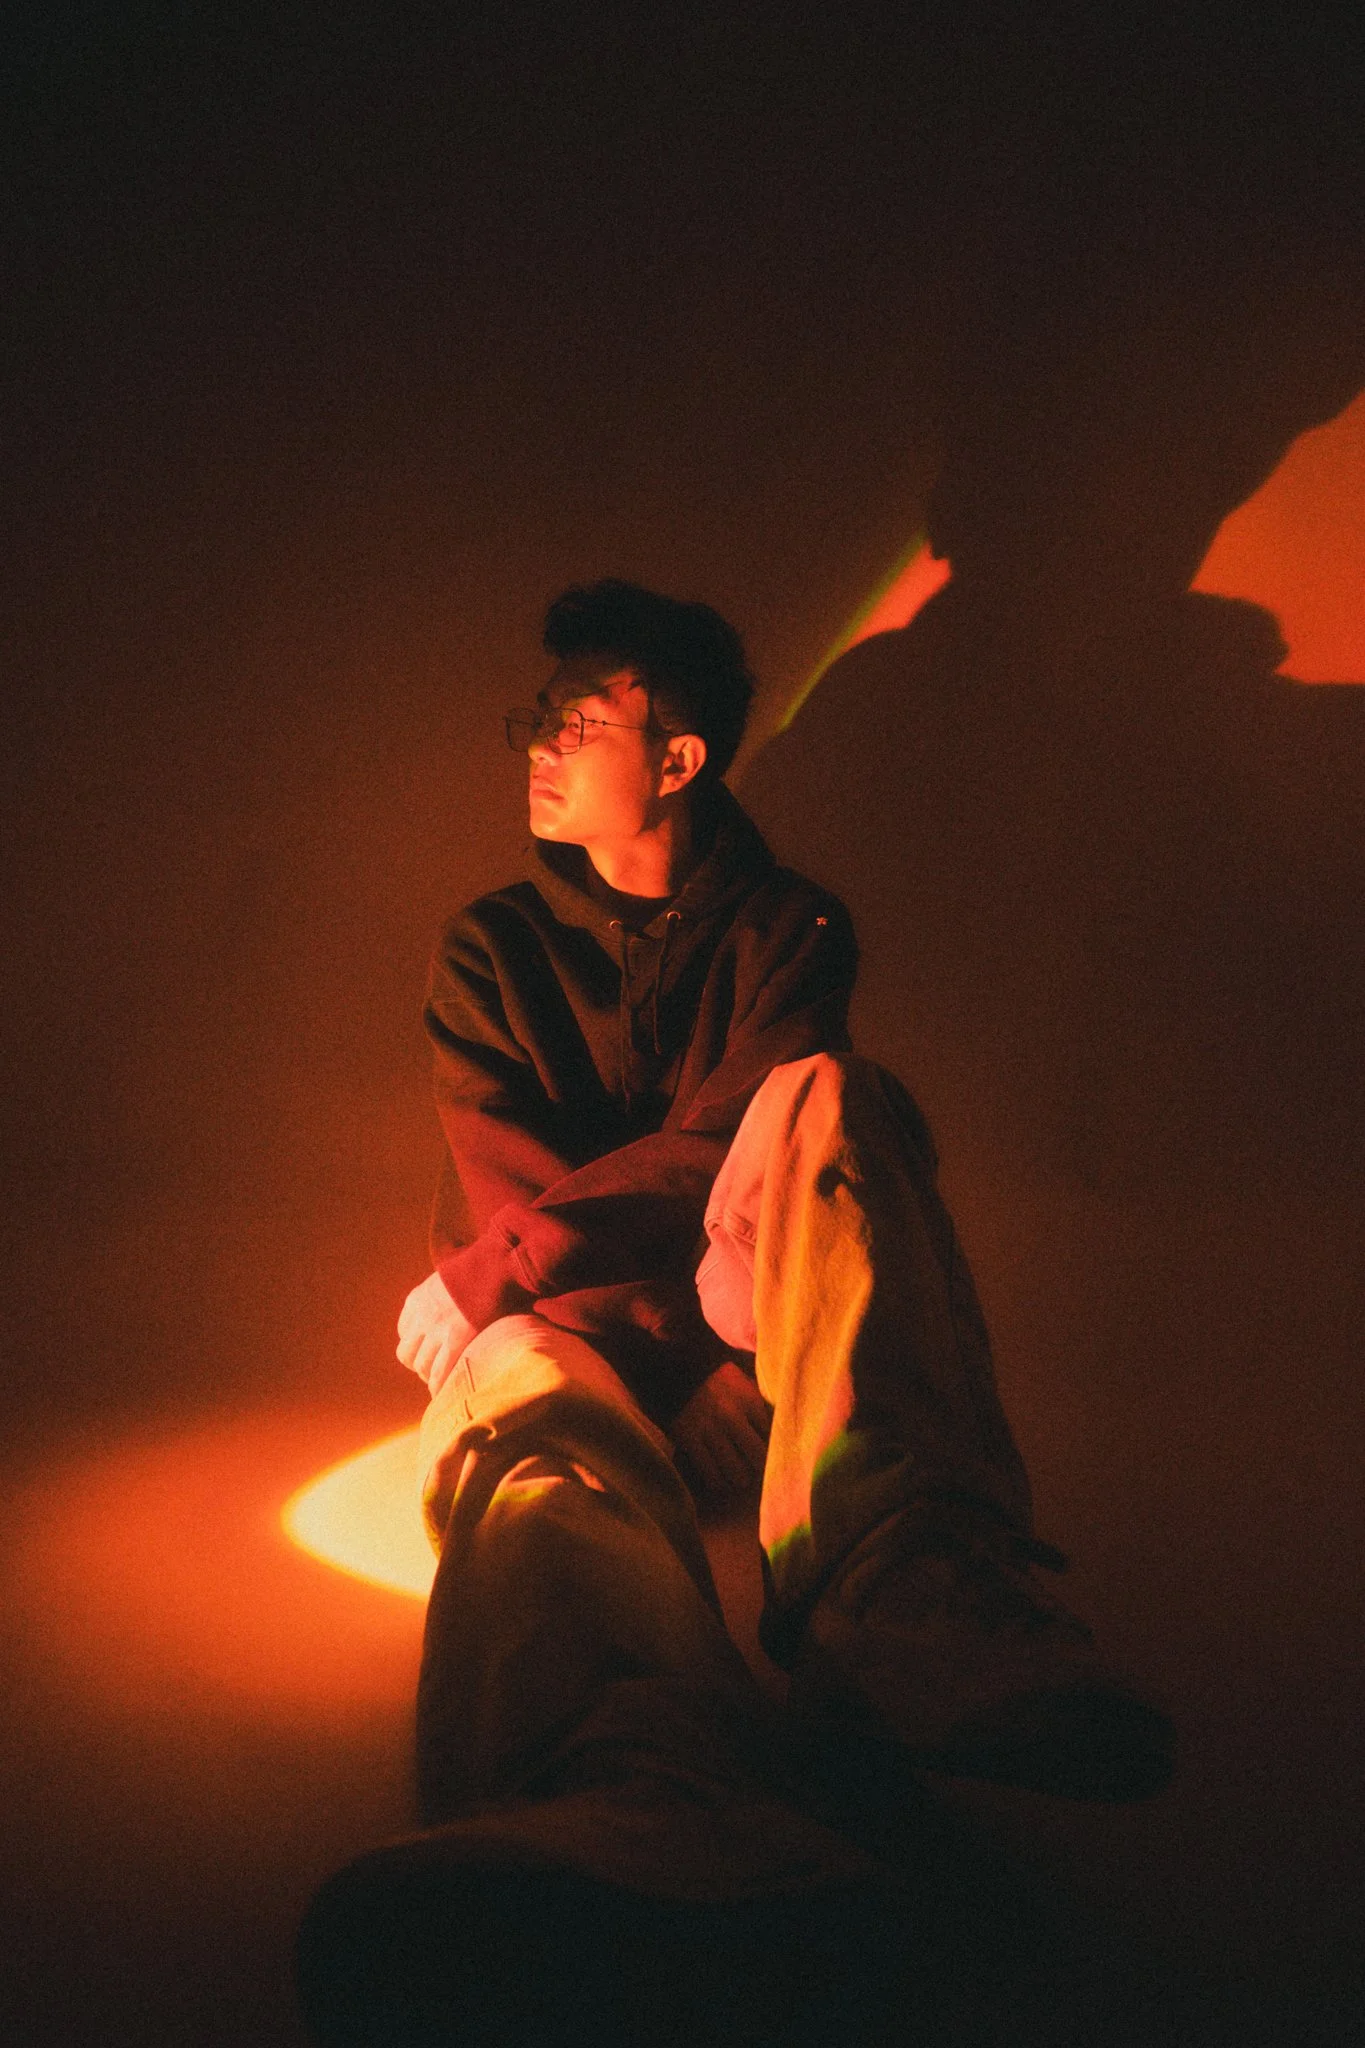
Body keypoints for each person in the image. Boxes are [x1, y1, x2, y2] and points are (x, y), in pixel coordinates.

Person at [296, 581, 1173, 2047]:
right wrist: (532, 1280)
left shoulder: (792, 931)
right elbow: (522, 1206)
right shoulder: (490, 951)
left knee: (837, 1096)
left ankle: (904, 1587)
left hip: (753, 1362)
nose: (540, 746)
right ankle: (636, 1790)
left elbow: (717, 1157)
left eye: (580, 720)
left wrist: (552, 1261)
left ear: (680, 758)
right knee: (525, 1389)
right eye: (541, 717)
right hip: (578, 1351)